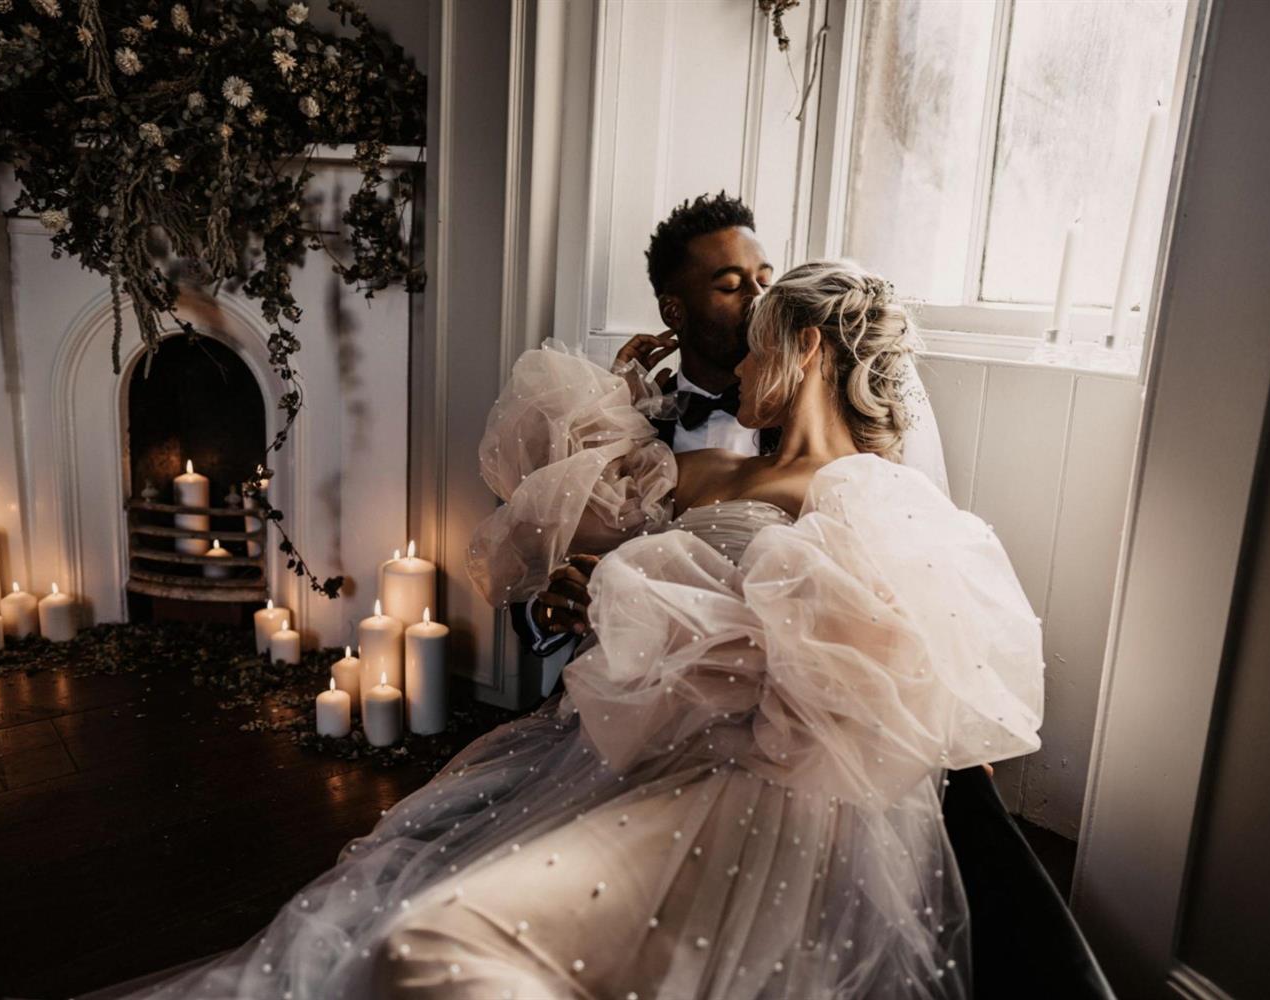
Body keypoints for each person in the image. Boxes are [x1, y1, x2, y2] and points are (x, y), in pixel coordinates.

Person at [91, 259, 1041, 1000]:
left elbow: (859, 686)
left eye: (756, 346)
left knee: (433, 950)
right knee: (400, 932)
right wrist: (581, 597)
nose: (741, 364)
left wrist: (644, 611)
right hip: (615, 751)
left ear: (805, 351)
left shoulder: (877, 502)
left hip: (756, 787)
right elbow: (620, 588)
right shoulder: (701, 476)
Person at [518, 193, 948, 671]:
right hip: (616, 693)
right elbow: (538, 555)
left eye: (765, 281)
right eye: (730, 286)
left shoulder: (859, 484)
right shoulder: (632, 434)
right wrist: (555, 607)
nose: (758, 300)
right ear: (673, 312)